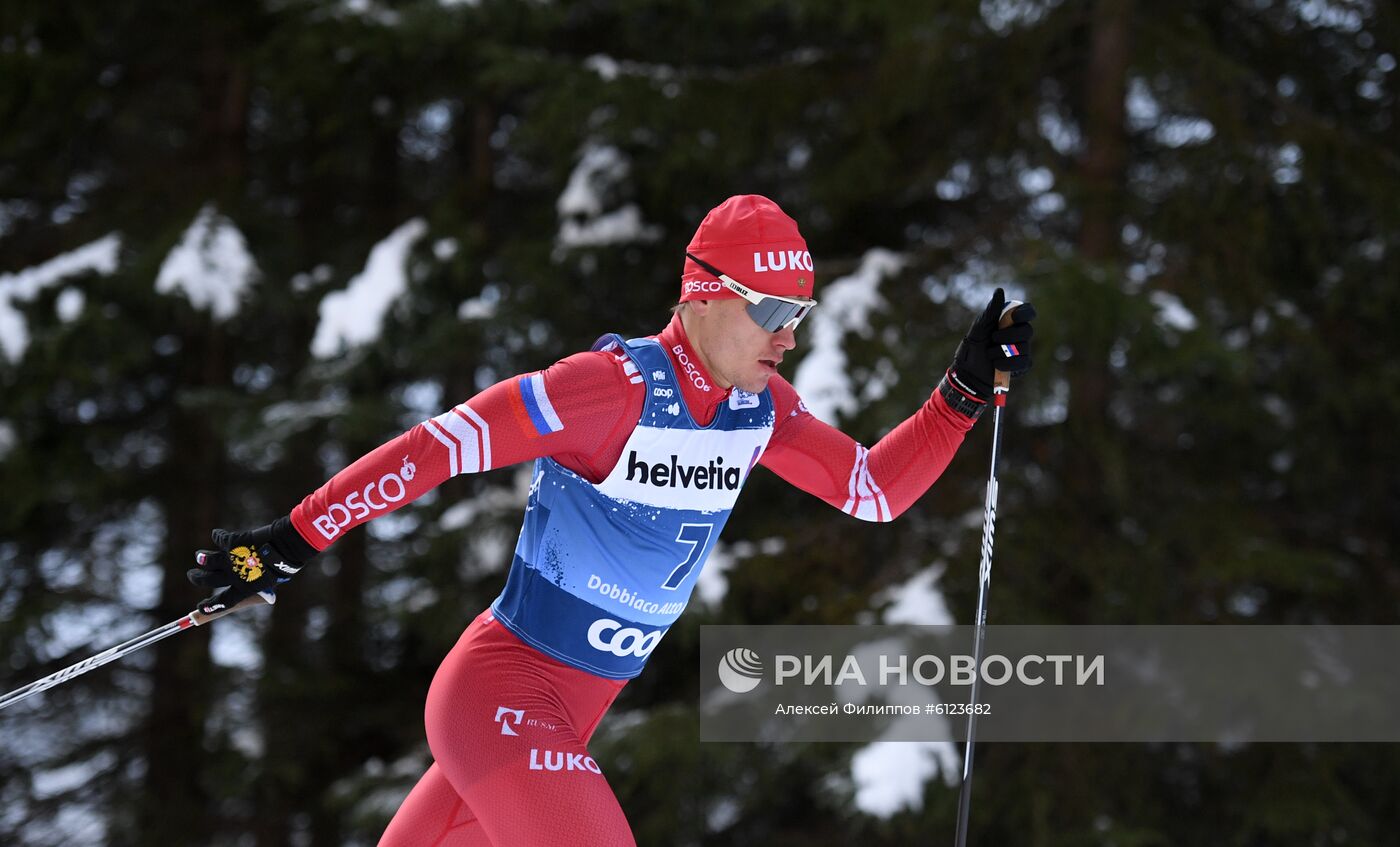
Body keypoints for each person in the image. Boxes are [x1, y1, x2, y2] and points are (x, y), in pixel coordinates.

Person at [187, 194, 1036, 845]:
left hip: (568, 713)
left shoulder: (758, 412)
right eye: (773, 312)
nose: (787, 337)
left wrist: (960, 392)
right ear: (705, 295)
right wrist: (295, 538)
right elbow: (441, 445)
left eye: (800, 316)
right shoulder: (610, 387)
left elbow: (873, 490)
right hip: (501, 692)